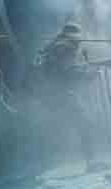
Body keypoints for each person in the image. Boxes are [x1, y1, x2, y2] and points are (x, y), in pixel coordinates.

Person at [36, 22, 99, 172]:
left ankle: (47, 161)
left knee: (58, 126)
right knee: (84, 123)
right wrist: (90, 74)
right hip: (60, 94)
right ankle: (91, 161)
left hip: (48, 94)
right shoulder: (66, 48)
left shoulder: (53, 46)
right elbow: (67, 72)